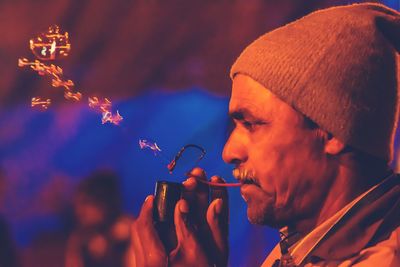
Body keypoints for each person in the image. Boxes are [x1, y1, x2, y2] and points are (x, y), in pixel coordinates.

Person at [130, 3, 400, 266]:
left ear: (332, 131)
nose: (229, 152)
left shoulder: (383, 258)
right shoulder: (304, 246)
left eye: (251, 124)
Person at [65, 170, 134, 267]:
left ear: (105, 202)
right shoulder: (80, 238)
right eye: (78, 204)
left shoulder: (129, 233)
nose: (80, 211)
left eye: (87, 202)